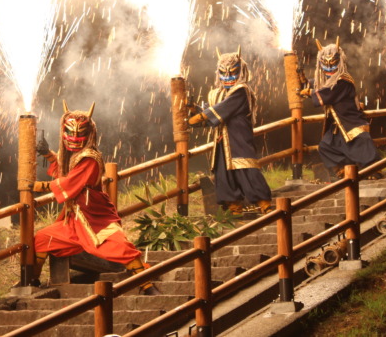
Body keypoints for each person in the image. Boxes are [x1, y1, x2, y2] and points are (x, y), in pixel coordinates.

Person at [28, 101, 161, 295]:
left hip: (96, 216)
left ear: (88, 133)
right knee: (42, 239)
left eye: (79, 133)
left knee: (120, 245)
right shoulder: (75, 156)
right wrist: (47, 154)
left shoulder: (90, 157)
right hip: (74, 220)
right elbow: (66, 171)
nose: (74, 138)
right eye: (70, 133)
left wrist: (39, 187)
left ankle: (147, 285)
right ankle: (32, 282)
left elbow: (71, 182)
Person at [187, 47, 272, 216]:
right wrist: (193, 110)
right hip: (221, 142)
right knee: (223, 174)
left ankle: (265, 205)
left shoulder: (241, 90)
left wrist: (201, 116)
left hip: (238, 138)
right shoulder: (217, 93)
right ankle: (235, 209)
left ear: (240, 71)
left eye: (232, 73)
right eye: (223, 73)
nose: (228, 77)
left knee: (247, 169)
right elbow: (211, 112)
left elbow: (221, 109)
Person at [299, 40, 381, 180]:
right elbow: (319, 84)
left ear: (340, 61)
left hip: (350, 120)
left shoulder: (343, 80)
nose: (329, 69)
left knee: (361, 143)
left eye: (333, 64)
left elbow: (329, 92)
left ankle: (373, 170)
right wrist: (301, 77)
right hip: (337, 123)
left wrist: (310, 92)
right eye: (326, 65)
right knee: (325, 146)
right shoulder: (327, 79)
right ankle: (343, 170)